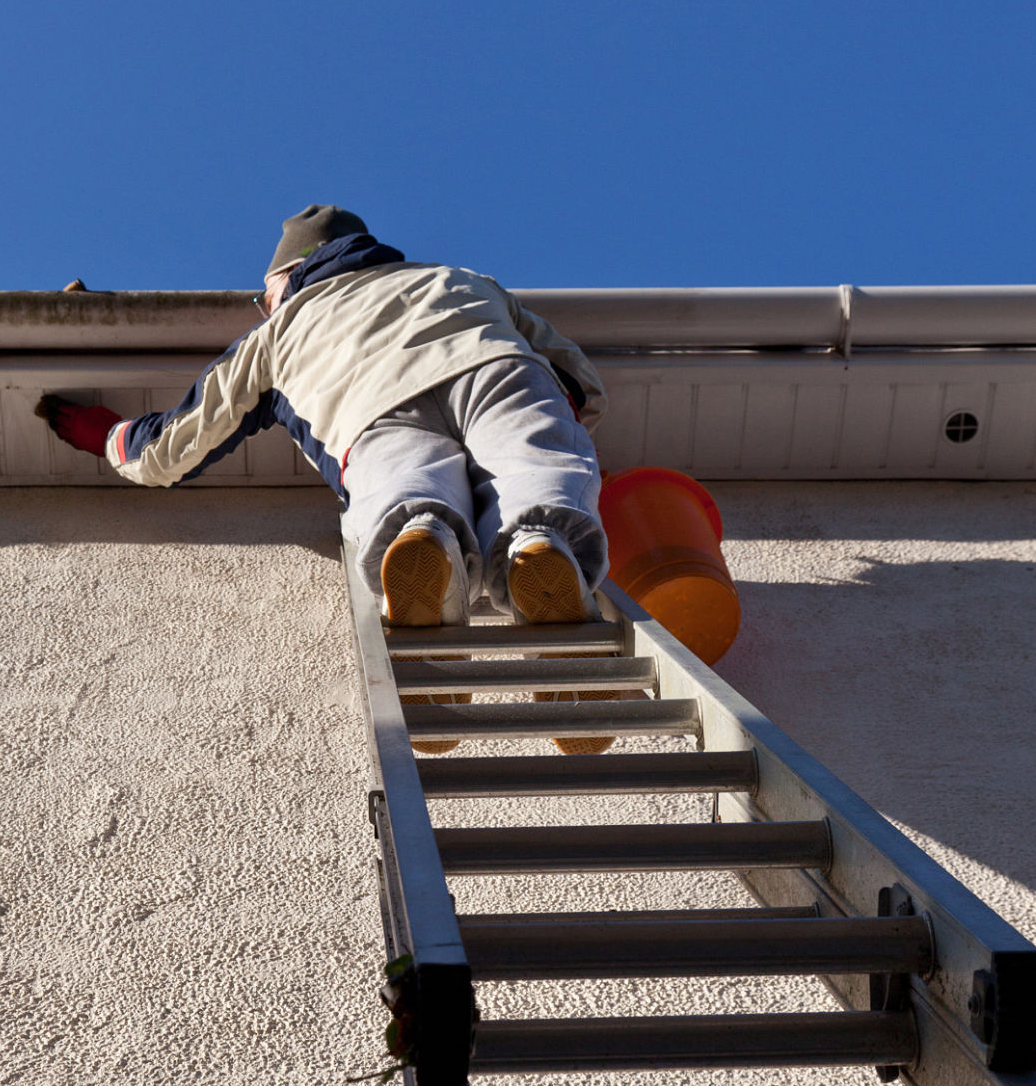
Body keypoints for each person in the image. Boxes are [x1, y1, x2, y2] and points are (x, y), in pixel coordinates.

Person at [40, 204, 611, 752]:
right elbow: (579, 375)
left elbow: (176, 443)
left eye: (264, 296)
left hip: (370, 406)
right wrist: (557, 411)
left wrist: (106, 434)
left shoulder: (280, 329)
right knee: (534, 470)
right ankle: (539, 544)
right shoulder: (460, 277)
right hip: (497, 366)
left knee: (403, 488)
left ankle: (425, 544)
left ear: (286, 277)